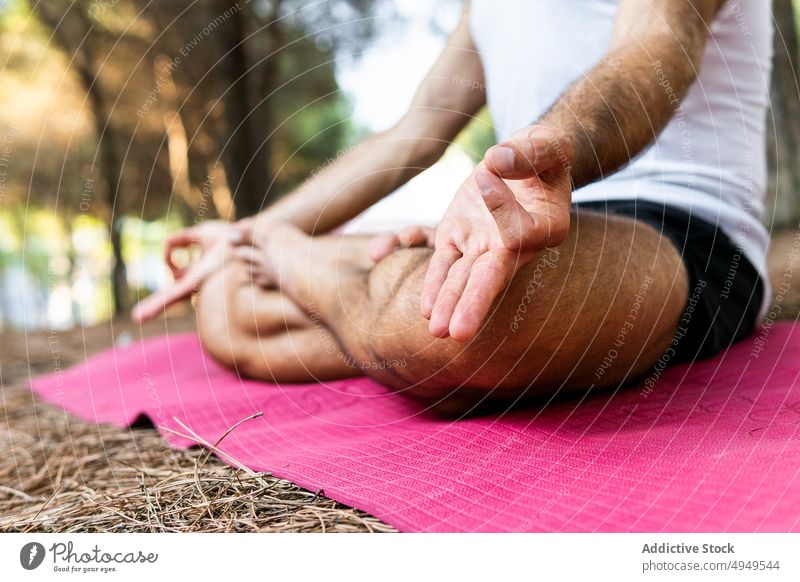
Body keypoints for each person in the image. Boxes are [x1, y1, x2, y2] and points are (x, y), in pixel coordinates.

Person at [133, 0, 772, 415]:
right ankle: (343, 285)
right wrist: (247, 232)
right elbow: (413, 134)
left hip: (680, 228)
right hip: (528, 220)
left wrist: (553, 147)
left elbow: (658, 45)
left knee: (444, 327)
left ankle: (308, 267)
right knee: (224, 304)